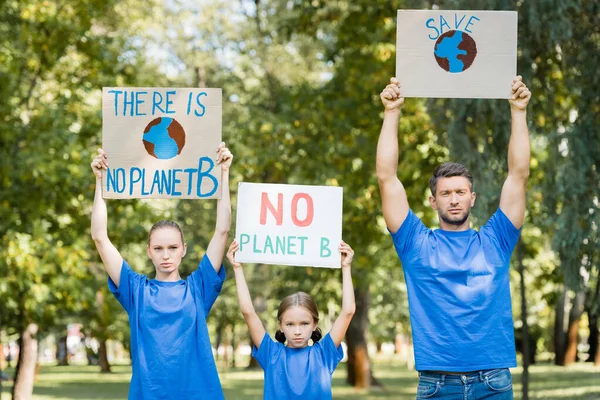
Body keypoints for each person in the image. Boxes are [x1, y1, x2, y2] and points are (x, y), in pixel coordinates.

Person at [376, 76, 531, 399]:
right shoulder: (414, 243)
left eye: (460, 192)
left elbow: (518, 175)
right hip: (436, 384)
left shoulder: (497, 239)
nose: (454, 199)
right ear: (434, 202)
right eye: (445, 193)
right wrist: (392, 112)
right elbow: (386, 177)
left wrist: (518, 111)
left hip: (493, 381)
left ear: (472, 198)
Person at [90, 142, 233, 400]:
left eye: (172, 247)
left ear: (183, 250)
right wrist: (100, 181)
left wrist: (224, 173)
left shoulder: (198, 288)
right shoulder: (136, 290)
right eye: (158, 248)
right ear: (148, 251)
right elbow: (100, 236)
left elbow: (222, 230)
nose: (165, 255)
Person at [226, 240, 356, 400]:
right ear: (280, 325)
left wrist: (346, 267)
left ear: (315, 324)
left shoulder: (323, 354)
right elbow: (248, 312)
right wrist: (237, 268)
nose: (297, 331)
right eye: (290, 324)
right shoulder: (271, 353)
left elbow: (348, 311)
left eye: (304, 323)